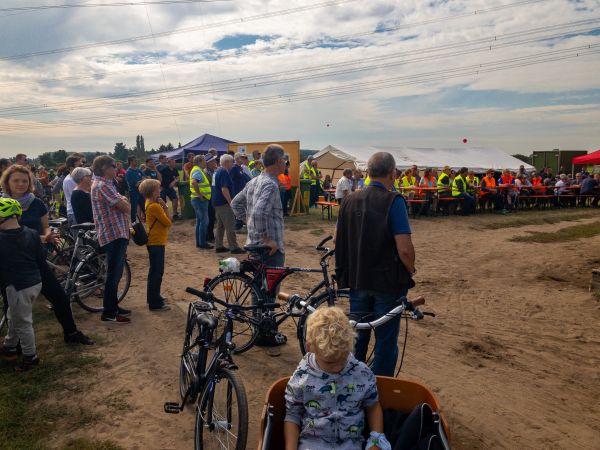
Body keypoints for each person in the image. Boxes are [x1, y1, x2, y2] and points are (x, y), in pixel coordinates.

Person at [335, 152, 415, 376]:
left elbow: (336, 239)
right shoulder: (394, 201)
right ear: (392, 173)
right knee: (385, 342)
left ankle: (351, 384)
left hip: (358, 279)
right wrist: (411, 269)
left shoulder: (349, 200)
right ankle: (381, 391)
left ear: (367, 173)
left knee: (357, 336)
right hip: (387, 283)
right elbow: (405, 248)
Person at [1, 165, 93, 344]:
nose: (21, 184)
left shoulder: (36, 203)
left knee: (59, 297)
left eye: (24, 180)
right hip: (10, 262)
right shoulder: (2, 204)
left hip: (36, 258)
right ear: (7, 183)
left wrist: (48, 234)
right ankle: (16, 343)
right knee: (10, 304)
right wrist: (40, 237)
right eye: (16, 180)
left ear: (30, 183)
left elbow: (44, 226)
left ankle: (71, 333)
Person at [284, 306, 386, 450]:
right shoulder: (302, 376)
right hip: (312, 444)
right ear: (309, 347)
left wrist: (376, 438)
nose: (337, 367)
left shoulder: (361, 373)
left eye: (342, 359)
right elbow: (293, 415)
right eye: (330, 362)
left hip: (350, 444)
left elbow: (373, 405)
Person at [232, 144, 287, 344]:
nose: (286, 164)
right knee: (269, 292)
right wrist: (265, 237)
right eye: (285, 161)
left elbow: (236, 204)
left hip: (255, 244)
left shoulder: (255, 181)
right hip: (268, 248)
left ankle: (258, 331)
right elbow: (259, 213)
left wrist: (250, 226)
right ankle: (265, 334)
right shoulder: (270, 184)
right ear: (279, 162)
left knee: (258, 290)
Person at [0, 198, 45, 371]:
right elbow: (40, 257)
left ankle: (30, 357)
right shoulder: (32, 233)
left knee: (23, 322)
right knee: (14, 315)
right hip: (35, 282)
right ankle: (10, 345)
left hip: (17, 286)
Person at [90, 155, 132, 323]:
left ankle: (113, 306)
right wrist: (124, 201)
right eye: (113, 166)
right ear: (104, 168)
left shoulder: (106, 184)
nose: (116, 169)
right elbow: (125, 207)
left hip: (116, 233)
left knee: (116, 273)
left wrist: (123, 201)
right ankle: (109, 312)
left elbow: (123, 204)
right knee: (113, 275)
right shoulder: (102, 186)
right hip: (113, 235)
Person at [139, 179, 171, 311]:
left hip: (154, 241)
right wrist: (165, 206)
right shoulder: (155, 206)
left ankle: (154, 297)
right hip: (156, 242)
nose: (160, 190)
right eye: (158, 188)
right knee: (157, 272)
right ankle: (154, 302)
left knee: (155, 272)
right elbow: (168, 222)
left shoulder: (149, 202)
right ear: (153, 191)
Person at [212, 154, 244, 254]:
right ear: (226, 162)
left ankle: (219, 245)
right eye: (231, 161)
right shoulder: (224, 172)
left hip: (217, 202)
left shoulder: (217, 171)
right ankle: (234, 247)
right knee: (230, 225)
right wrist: (231, 202)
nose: (233, 163)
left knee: (220, 226)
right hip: (223, 202)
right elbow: (224, 188)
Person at [189, 155, 213, 249]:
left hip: (198, 199)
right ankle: (202, 243)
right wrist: (199, 195)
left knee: (200, 221)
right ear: (199, 161)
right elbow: (194, 182)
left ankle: (200, 243)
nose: (205, 162)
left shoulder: (197, 170)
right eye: (204, 161)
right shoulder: (197, 170)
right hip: (199, 200)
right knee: (204, 221)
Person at [63, 154, 84, 226]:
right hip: (75, 213)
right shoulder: (70, 180)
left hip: (77, 212)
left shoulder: (74, 178)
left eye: (82, 165)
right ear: (71, 168)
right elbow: (79, 198)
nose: (82, 168)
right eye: (80, 166)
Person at [125, 156, 145, 223]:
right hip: (134, 193)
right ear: (130, 162)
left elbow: (146, 178)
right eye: (135, 160)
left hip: (141, 192)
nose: (136, 161)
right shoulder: (128, 172)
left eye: (136, 160)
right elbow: (135, 185)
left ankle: (148, 221)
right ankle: (134, 224)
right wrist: (142, 180)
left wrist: (141, 181)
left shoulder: (138, 170)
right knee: (134, 210)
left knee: (144, 207)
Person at [204, 154, 218, 243]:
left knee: (212, 217)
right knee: (210, 217)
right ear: (208, 163)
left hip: (212, 197)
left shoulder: (212, 171)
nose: (215, 162)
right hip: (208, 197)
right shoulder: (206, 172)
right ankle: (209, 236)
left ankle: (210, 235)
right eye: (213, 161)